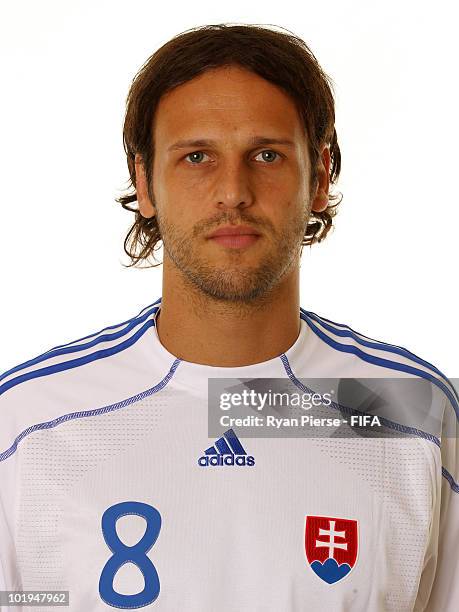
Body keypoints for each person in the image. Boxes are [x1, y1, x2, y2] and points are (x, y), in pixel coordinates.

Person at [0, 23, 457, 612]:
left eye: (266, 155)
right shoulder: (29, 424)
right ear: (145, 182)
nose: (233, 192)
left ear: (319, 178)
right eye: (197, 157)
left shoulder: (409, 409)